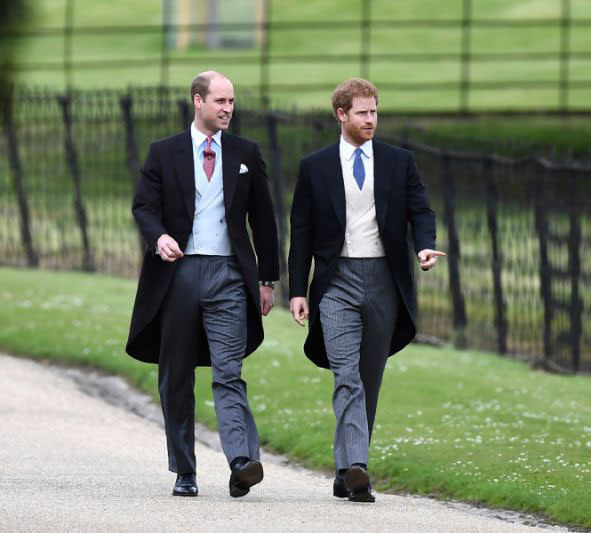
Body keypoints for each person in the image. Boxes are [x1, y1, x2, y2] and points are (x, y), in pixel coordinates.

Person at [288, 78, 445, 503]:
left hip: (384, 281)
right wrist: (297, 289)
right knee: (347, 376)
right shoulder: (315, 166)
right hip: (335, 283)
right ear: (342, 115)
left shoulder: (399, 161)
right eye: (362, 112)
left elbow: (420, 209)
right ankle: (359, 467)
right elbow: (300, 231)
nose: (371, 119)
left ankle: (345, 472)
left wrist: (424, 245)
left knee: (368, 378)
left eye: (374, 111)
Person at [126, 71, 280, 498]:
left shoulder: (246, 153)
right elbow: (143, 206)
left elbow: (264, 220)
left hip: (230, 275)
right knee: (176, 374)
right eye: (220, 101)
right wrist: (159, 237)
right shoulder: (164, 152)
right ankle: (185, 471)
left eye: (232, 102)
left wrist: (268, 278)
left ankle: (241, 461)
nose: (228, 109)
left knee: (229, 371)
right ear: (198, 101)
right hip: (177, 276)